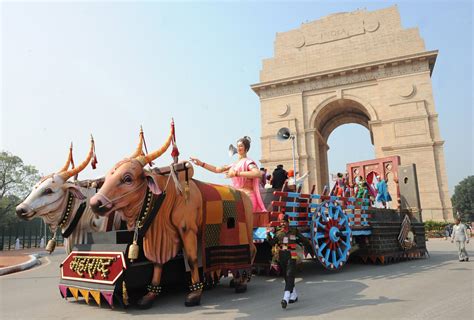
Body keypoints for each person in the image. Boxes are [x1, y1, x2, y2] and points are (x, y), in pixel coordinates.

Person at [190, 136, 266, 212]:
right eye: (238, 146)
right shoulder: (234, 165)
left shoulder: (248, 162)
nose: (238, 148)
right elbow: (217, 169)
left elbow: (257, 173)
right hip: (237, 196)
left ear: (246, 148)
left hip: (248, 197)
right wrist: (201, 164)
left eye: (241, 146)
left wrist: (237, 173)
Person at [266, 214, 312, 309]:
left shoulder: (294, 231)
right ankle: (294, 295)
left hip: (292, 254)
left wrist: (310, 244)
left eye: (284, 222)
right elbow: (272, 243)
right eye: (281, 222)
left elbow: (304, 240)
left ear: (288, 222)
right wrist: (268, 234)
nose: (282, 223)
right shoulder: (278, 233)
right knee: (286, 276)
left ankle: (285, 298)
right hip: (282, 255)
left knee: (290, 274)